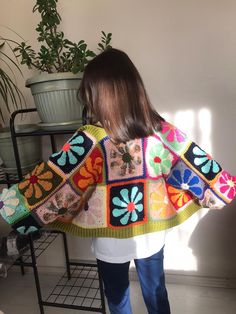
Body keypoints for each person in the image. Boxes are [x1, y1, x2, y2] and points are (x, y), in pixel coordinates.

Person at [0, 48, 235, 314]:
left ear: (100, 96)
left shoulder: (91, 139)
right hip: (153, 231)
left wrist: (14, 203)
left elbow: (55, 179)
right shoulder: (161, 132)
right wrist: (221, 185)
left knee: (117, 297)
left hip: (109, 239)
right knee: (157, 293)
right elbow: (194, 162)